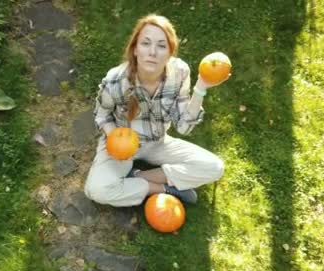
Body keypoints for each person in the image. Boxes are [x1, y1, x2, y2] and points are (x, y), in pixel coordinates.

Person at [84, 14, 227, 207]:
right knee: (96, 190)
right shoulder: (116, 81)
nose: (152, 52)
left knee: (214, 167)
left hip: (158, 143)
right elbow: (102, 115)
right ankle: (164, 189)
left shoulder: (180, 73)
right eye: (146, 43)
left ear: (170, 53)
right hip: (122, 146)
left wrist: (201, 87)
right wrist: (113, 137)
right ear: (135, 49)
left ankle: (137, 176)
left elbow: (184, 128)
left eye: (161, 46)